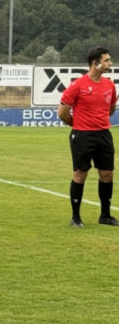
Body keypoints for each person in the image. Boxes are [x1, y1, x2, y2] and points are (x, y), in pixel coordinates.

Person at [59, 46, 118, 227]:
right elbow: (62, 112)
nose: (110, 63)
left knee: (107, 174)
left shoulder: (109, 86)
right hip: (82, 136)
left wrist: (98, 122)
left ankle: (105, 216)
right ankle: (76, 218)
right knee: (80, 174)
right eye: (106, 60)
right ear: (95, 63)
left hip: (103, 134)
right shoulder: (78, 85)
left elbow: (111, 108)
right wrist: (78, 126)